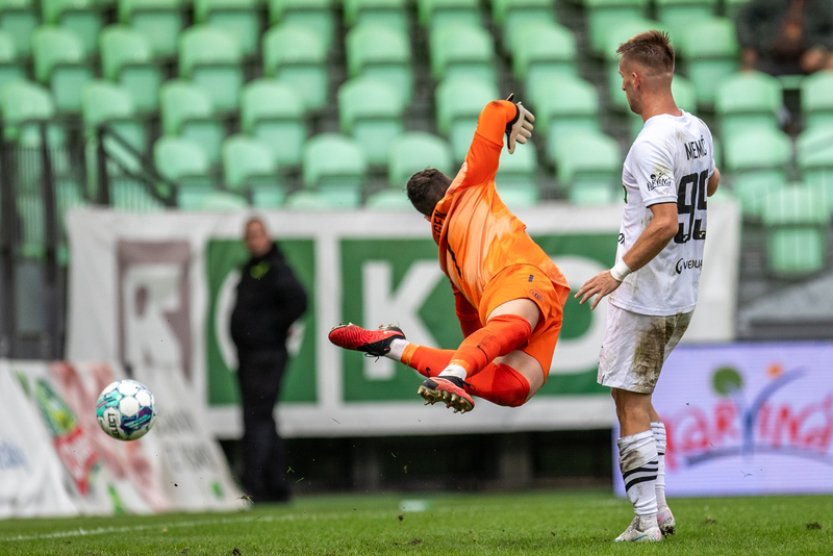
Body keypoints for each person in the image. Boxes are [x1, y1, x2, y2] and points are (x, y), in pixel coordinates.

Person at [329, 96, 571, 414]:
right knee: (515, 381)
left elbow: (467, 317)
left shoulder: (446, 255)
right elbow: (494, 109)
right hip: (521, 278)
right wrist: (514, 112)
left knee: (515, 386)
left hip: (517, 304)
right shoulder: (470, 184)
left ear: (426, 218)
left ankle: (393, 347)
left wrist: (478, 355)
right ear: (449, 183)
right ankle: (452, 374)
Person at [575, 31, 720, 543]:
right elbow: (711, 181)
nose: (622, 89)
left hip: (647, 292)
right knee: (640, 395)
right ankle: (658, 510)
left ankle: (644, 522)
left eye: (622, 80)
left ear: (637, 79)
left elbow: (664, 222)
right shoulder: (696, 129)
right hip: (683, 290)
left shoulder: (649, 142)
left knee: (629, 402)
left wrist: (615, 274)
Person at [230, 216, 307, 503]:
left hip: (265, 354)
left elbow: (299, 301)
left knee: (256, 418)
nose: (254, 241)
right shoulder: (253, 268)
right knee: (263, 417)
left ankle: (255, 485)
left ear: (268, 237)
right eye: (249, 235)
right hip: (252, 354)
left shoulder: (276, 267)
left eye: (258, 235)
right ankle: (276, 487)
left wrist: (270, 331)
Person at [736, 0, 833, 75]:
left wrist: (821, 48)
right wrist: (749, 46)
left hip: (807, 61)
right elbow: (744, 17)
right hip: (770, 59)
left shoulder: (823, 4)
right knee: (748, 77)